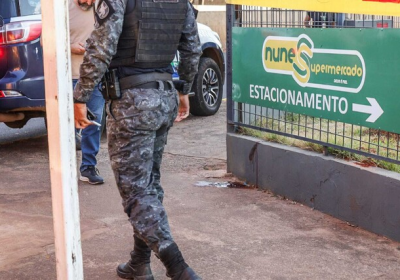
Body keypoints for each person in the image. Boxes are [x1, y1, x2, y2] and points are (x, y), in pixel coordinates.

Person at [73, 0, 202, 279]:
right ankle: (139, 263)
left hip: (132, 103)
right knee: (149, 186)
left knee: (136, 192)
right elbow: (193, 50)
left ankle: (179, 268)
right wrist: (184, 90)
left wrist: (81, 95)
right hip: (164, 96)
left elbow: (101, 49)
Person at [69, 0, 105, 185]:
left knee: (93, 123)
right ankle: (63, 169)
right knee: (67, 127)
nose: (89, 2)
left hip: (94, 78)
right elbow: (46, 41)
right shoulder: (63, 8)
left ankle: (88, 167)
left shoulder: (103, 7)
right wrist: (70, 46)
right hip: (68, 78)